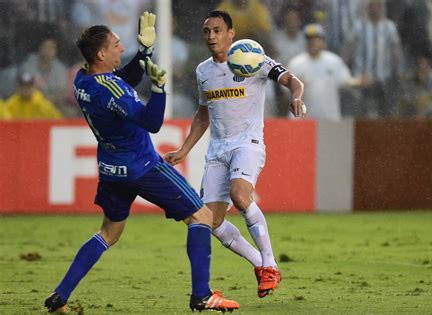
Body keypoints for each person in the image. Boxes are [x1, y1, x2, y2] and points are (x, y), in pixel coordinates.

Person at [43, 12, 239, 313]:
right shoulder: (115, 92)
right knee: (201, 217)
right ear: (102, 54)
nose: (122, 48)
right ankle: (201, 295)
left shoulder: (83, 79)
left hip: (111, 168)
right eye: (117, 45)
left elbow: (122, 78)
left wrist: (143, 52)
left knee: (109, 233)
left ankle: (60, 296)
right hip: (142, 166)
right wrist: (159, 89)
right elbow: (152, 123)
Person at [164, 10, 305, 298]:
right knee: (209, 221)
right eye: (207, 32)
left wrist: (297, 97)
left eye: (217, 31)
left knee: (241, 196)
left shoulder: (253, 58)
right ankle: (260, 263)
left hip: (248, 143)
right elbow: (204, 114)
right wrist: (185, 149)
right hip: (218, 150)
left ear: (231, 33)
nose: (211, 36)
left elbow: (293, 80)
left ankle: (270, 263)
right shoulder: (203, 70)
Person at [288, 24, 368, 120]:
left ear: (323, 42)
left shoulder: (334, 61)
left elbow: (346, 81)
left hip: (328, 117)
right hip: (302, 120)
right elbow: (284, 88)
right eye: (309, 39)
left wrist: (359, 82)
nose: (312, 42)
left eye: (316, 39)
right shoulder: (296, 63)